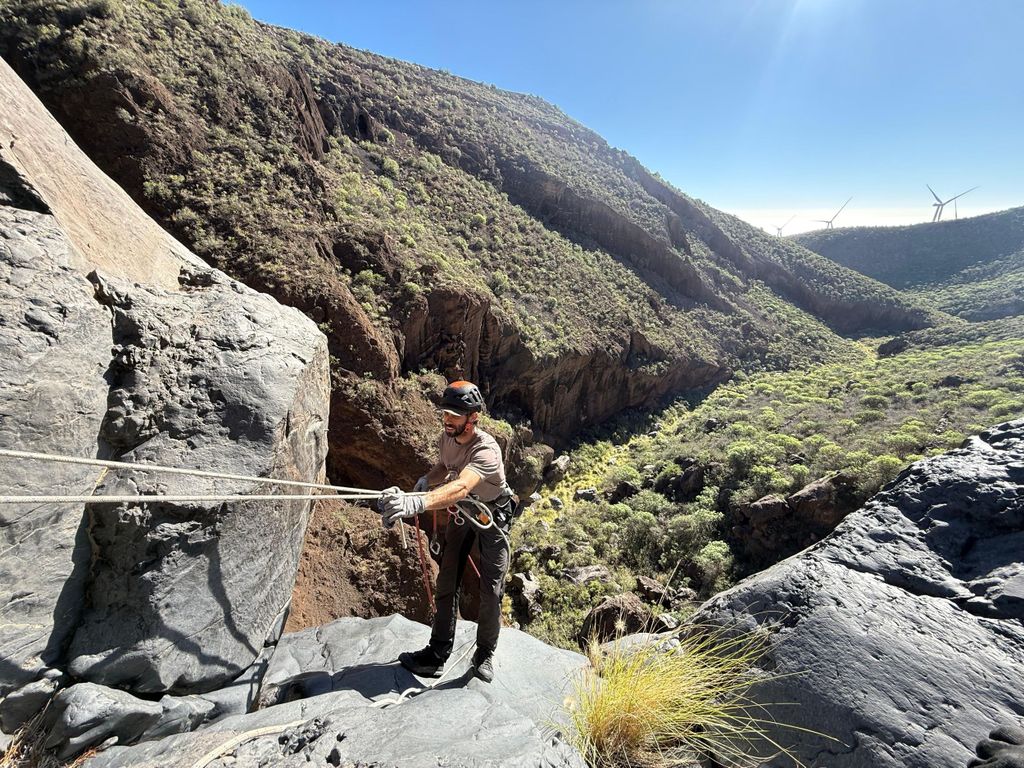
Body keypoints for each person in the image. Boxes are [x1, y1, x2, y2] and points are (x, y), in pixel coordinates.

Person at [378, 380, 514, 683]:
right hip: (465, 511)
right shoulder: (448, 437)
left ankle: (485, 653)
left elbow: (462, 485)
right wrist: (428, 479)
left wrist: (419, 502)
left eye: (454, 415)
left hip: (492, 515)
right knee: (447, 577)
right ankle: (436, 653)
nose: (447, 419)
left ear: (473, 417)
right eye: (446, 413)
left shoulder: (486, 450)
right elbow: (445, 464)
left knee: (491, 589)